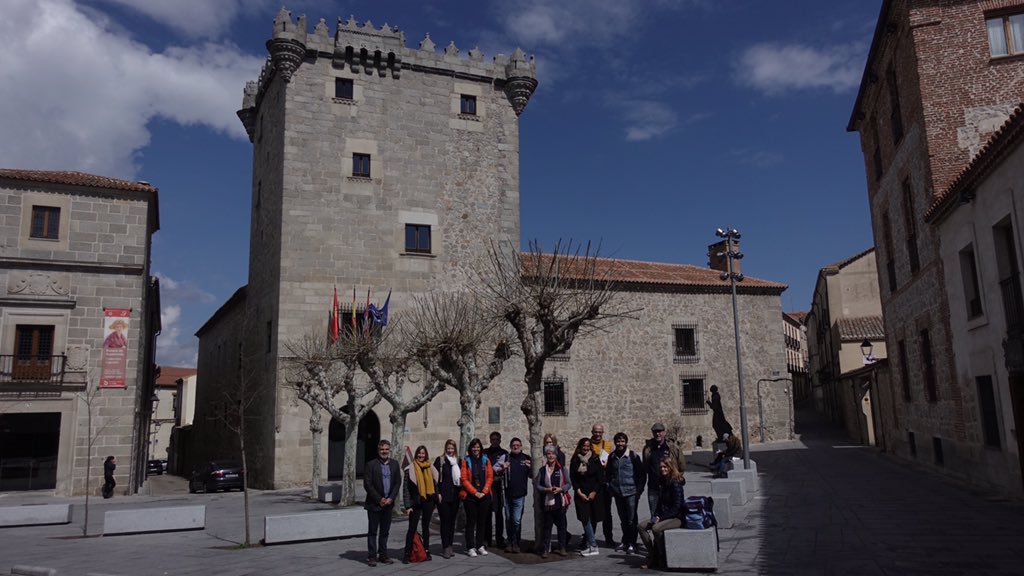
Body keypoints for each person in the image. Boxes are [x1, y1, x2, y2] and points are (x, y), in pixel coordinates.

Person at [637, 457, 686, 570]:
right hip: (664, 516)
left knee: (656, 528)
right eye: (661, 467)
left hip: (676, 517)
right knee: (641, 527)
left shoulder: (675, 482)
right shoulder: (663, 481)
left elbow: (677, 507)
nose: (663, 469)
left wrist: (661, 518)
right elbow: (660, 503)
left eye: (665, 467)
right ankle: (653, 554)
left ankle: (661, 557)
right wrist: (656, 515)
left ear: (670, 467)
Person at [364, 439, 401, 566]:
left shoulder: (395, 464)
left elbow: (397, 483)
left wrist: (391, 498)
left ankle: (383, 555)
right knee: (373, 531)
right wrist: (379, 499)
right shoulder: (371, 465)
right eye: (382, 449)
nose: (384, 451)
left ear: (389, 450)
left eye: (386, 449)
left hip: (389, 504)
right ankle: (372, 556)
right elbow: (367, 485)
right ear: (378, 450)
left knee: (385, 531)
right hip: (374, 504)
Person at [606, 432, 645, 554]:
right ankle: (625, 541)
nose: (620, 444)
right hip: (618, 493)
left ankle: (633, 543)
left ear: (626, 442)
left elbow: (641, 475)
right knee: (623, 519)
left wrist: (639, 490)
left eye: (622, 441)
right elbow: (608, 474)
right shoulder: (612, 457)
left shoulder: (633, 456)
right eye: (618, 441)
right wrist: (610, 487)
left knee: (631, 519)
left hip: (631, 492)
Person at [642, 422, 686, 518]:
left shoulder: (673, 448)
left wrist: (675, 479)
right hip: (654, 488)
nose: (658, 434)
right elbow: (645, 466)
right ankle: (657, 533)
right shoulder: (648, 448)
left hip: (668, 488)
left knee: (669, 515)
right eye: (655, 432)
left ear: (664, 432)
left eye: (660, 431)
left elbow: (682, 466)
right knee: (654, 516)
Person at [569, 437, 604, 557]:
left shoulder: (595, 459)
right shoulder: (575, 460)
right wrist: (579, 492)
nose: (585, 448)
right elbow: (573, 478)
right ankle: (593, 544)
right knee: (585, 519)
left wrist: (594, 492)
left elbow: (600, 478)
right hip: (581, 494)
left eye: (588, 446)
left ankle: (592, 545)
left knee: (593, 519)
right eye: (584, 446)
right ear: (580, 446)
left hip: (594, 494)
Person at [535, 443, 571, 558]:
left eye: (552, 454)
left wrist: (561, 489)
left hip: (559, 501)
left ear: (556, 455)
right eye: (548, 454)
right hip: (547, 502)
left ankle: (562, 547)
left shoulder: (562, 469)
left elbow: (569, 484)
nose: (550, 456)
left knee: (562, 526)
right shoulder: (542, 470)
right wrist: (547, 489)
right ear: (546, 456)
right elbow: (538, 486)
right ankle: (545, 549)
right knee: (547, 526)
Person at [402, 445, 436, 563]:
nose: (421, 455)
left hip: (428, 501)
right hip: (415, 502)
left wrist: (436, 500)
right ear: (416, 454)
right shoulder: (410, 468)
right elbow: (406, 489)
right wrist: (407, 506)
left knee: (426, 527)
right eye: (419, 453)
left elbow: (435, 484)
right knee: (412, 528)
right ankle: (407, 553)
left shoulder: (430, 467)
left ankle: (426, 550)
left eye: (423, 453)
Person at [459, 438, 493, 557]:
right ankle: (470, 547)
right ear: (470, 448)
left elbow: (490, 477)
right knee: (471, 522)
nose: (476, 449)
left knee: (481, 522)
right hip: (470, 497)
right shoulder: (466, 461)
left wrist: (484, 491)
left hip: (484, 496)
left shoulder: (485, 460)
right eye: (474, 447)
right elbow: (464, 479)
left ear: (480, 448)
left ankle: (480, 545)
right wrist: (475, 492)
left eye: (478, 447)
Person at [432, 439, 461, 559]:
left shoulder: (458, 461)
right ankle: (445, 547)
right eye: (448, 448)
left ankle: (450, 545)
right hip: (443, 496)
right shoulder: (440, 460)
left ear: (455, 449)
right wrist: (437, 493)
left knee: (452, 522)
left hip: (455, 496)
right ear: (445, 448)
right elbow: (434, 478)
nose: (450, 450)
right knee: (445, 521)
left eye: (452, 448)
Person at [503, 437, 532, 553]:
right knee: (509, 519)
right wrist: (502, 467)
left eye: (518, 445)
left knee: (516, 520)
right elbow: (495, 469)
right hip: (507, 493)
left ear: (521, 446)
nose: (516, 447)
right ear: (510, 446)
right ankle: (510, 542)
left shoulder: (526, 458)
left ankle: (516, 542)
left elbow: (532, 475)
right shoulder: (506, 457)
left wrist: (531, 468)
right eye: (514, 445)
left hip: (520, 494)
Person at [590, 423, 615, 548]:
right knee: (592, 512)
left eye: (600, 432)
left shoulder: (609, 445)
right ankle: (590, 538)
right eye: (595, 432)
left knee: (607, 512)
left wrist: (608, 466)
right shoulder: (587, 445)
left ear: (603, 432)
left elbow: (614, 462)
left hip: (605, 483)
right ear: (592, 432)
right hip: (592, 483)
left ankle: (609, 538)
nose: (598, 434)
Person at [484, 431, 509, 549]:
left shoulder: (504, 453)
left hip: (499, 486)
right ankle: (486, 539)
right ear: (490, 440)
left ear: (500, 440)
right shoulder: (485, 453)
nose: (494, 441)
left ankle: (499, 539)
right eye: (492, 439)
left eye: (496, 439)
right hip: (487, 486)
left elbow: (504, 468)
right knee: (487, 513)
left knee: (499, 513)